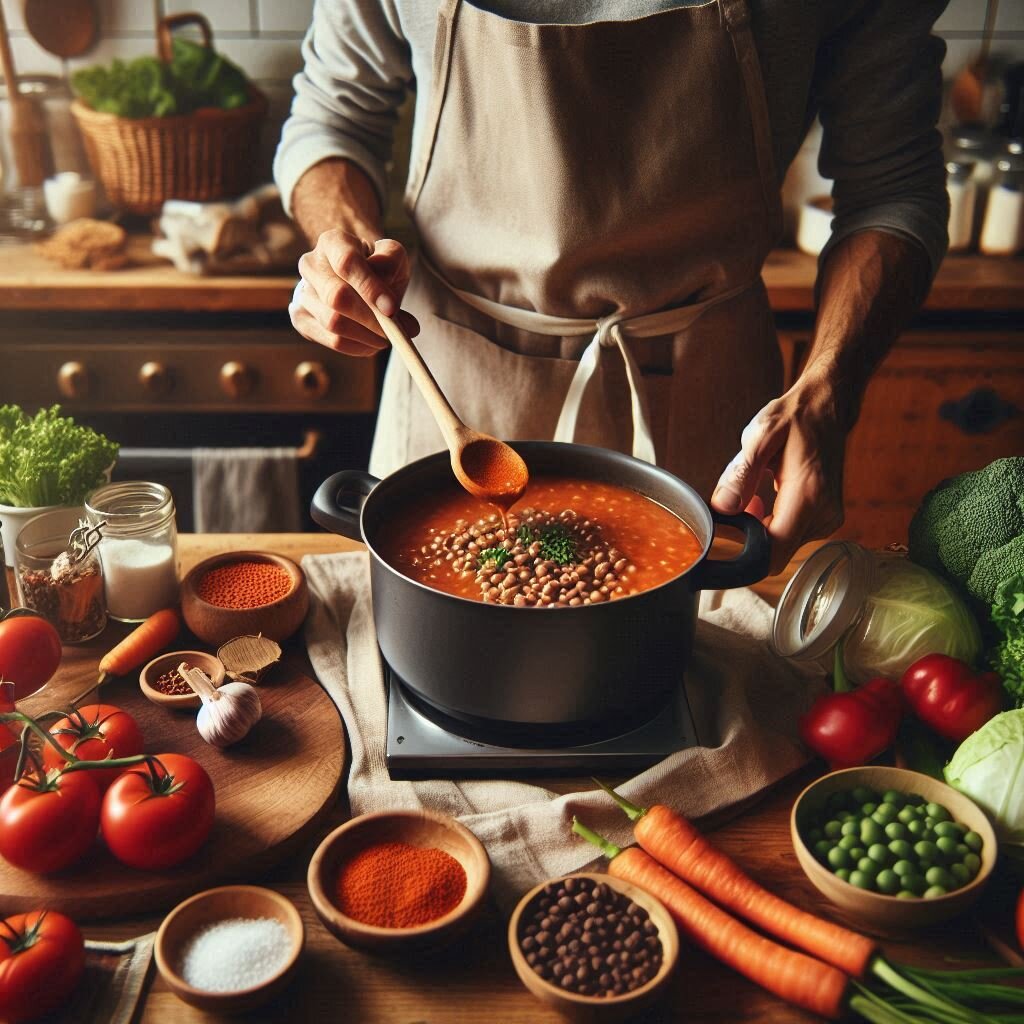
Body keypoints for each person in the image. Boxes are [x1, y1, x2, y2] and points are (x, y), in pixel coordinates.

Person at [277, 0, 949, 574]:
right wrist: (345, 246)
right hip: (451, 380)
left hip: (709, 413)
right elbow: (333, 115)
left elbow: (891, 187)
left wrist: (829, 389)